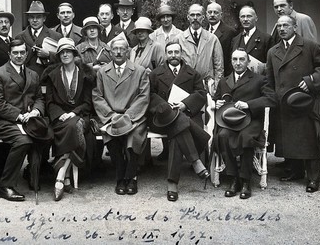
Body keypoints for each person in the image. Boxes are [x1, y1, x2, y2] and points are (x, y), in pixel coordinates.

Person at [266, 15, 320, 193]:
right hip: (285, 102)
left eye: (286, 25)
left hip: (306, 101)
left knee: (310, 139)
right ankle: (295, 171)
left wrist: (311, 80)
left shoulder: (309, 46)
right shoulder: (273, 51)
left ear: (295, 27)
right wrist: (273, 98)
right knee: (290, 138)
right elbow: (269, 79)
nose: (281, 29)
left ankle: (313, 178)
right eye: (279, 26)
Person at [148, 40, 211, 201]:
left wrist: (184, 104)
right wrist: (164, 106)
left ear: (181, 54)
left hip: (187, 114)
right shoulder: (155, 74)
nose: (173, 55)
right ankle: (196, 161)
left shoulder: (192, 73)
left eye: (176, 52)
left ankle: (172, 183)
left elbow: (201, 94)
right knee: (176, 123)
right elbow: (149, 95)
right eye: (170, 52)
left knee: (177, 130)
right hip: (162, 117)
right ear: (165, 55)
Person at [213, 49, 276, 199]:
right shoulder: (224, 80)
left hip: (251, 120)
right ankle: (233, 178)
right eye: (234, 59)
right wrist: (217, 103)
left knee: (246, 137)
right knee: (223, 136)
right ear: (231, 61)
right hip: (230, 121)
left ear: (248, 62)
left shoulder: (259, 79)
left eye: (242, 59)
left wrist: (249, 104)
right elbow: (216, 98)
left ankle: (246, 180)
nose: (238, 63)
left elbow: (271, 99)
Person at [0, 40, 47, 202]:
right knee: (23, 141)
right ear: (9, 54)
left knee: (42, 136)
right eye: (15, 53)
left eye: (22, 52)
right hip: (5, 120)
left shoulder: (33, 74)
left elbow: (39, 98)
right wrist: (19, 116)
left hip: (29, 119)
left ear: (27, 54)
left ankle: (32, 175)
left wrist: (36, 111)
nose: (19, 55)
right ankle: (5, 186)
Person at [92, 38, 150, 195]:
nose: (118, 52)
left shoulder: (139, 71)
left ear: (128, 51)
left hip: (134, 117)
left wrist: (128, 116)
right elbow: (97, 96)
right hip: (110, 117)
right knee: (112, 139)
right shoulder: (102, 72)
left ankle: (131, 178)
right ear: (110, 52)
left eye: (121, 49)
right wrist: (111, 116)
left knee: (133, 138)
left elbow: (143, 96)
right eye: (115, 49)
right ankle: (120, 177)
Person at [44, 38, 96, 201]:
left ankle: (60, 173)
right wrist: (60, 114)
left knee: (74, 127)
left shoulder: (86, 74)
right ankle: (65, 176)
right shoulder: (52, 75)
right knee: (69, 128)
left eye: (68, 51)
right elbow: (49, 102)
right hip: (59, 116)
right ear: (59, 56)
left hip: (80, 114)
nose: (65, 54)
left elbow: (88, 102)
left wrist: (74, 113)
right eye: (62, 52)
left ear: (74, 54)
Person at [178, 4, 224, 88]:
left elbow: (219, 67)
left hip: (207, 85)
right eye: (192, 15)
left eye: (198, 15)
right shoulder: (179, 39)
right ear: (188, 17)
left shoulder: (212, 39)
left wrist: (217, 88)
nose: (195, 18)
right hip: (185, 84)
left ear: (203, 17)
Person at [15, 0, 62, 77]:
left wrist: (48, 54)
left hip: (48, 78)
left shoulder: (55, 36)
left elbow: (62, 59)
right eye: (32, 17)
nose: (35, 20)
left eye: (38, 17)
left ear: (44, 19)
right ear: (28, 19)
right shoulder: (20, 37)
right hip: (26, 79)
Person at [206, 2, 238, 76]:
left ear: (221, 15)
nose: (212, 15)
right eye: (210, 12)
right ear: (206, 14)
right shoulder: (203, 31)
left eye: (215, 12)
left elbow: (232, 56)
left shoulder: (230, 32)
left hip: (224, 74)